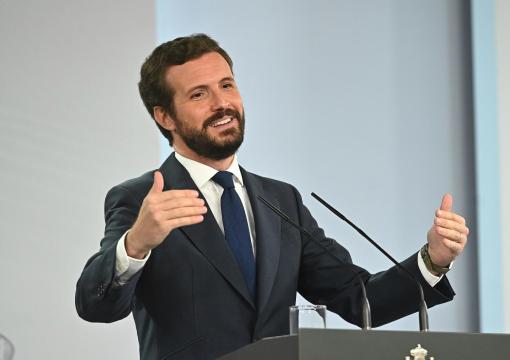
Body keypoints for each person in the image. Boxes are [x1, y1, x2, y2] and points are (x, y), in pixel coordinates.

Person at [75, 34, 469, 360]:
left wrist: (432, 261)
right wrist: (136, 244)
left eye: (227, 85)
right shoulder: (142, 199)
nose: (222, 104)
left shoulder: (281, 200)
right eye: (199, 94)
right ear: (165, 117)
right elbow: (96, 305)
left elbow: (358, 298)